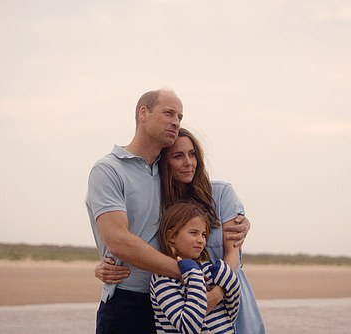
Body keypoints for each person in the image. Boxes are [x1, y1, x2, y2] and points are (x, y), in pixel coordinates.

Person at [86, 90, 250, 334]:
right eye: (168, 113)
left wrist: (242, 221)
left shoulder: (166, 177)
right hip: (128, 301)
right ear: (143, 113)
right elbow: (118, 240)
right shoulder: (109, 170)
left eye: (180, 117)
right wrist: (185, 272)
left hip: (172, 303)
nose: (176, 121)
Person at [150, 202, 240, 333]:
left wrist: (228, 278)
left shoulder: (208, 269)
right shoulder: (162, 278)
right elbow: (188, 327)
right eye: (193, 233)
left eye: (203, 234)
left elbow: (231, 312)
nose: (201, 240)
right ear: (171, 236)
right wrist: (193, 275)